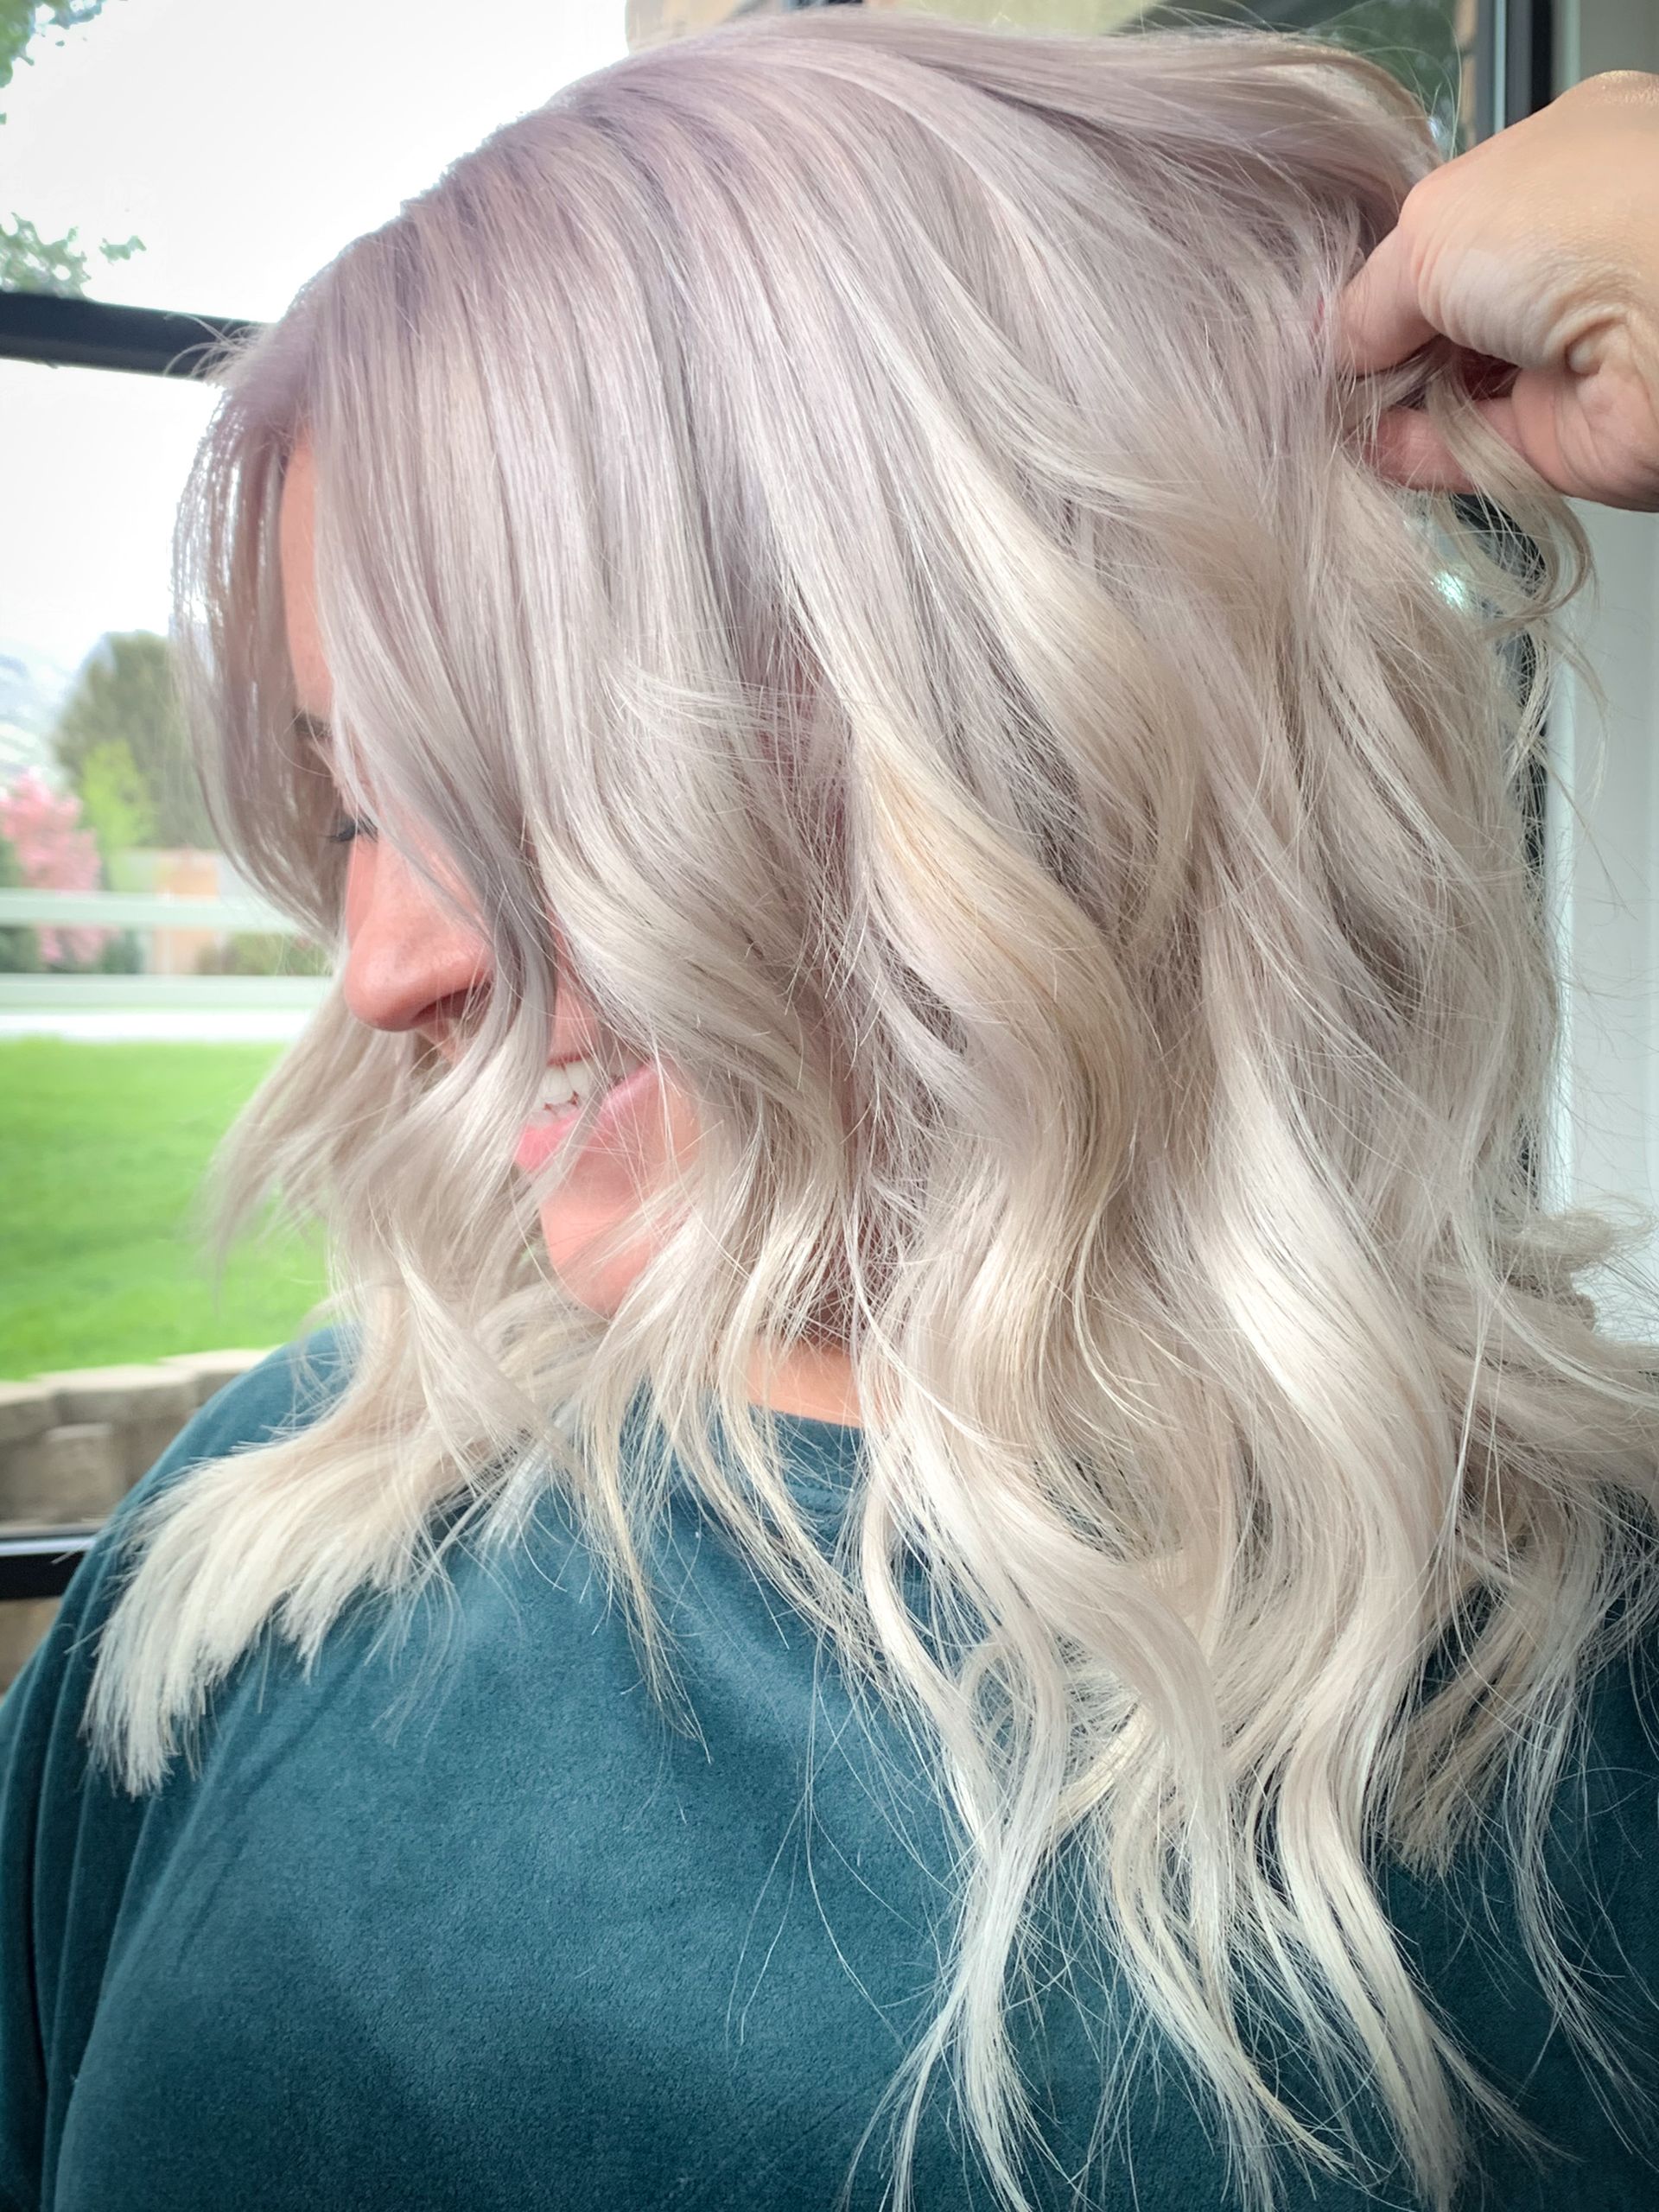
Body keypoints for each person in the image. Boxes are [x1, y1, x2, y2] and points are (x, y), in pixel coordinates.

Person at [5, 14, 1659, 2212]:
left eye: (506, 791)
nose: (385, 963)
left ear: (1005, 705)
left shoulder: (1593, 1689)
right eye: (355, 804)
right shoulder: (283, 1525)